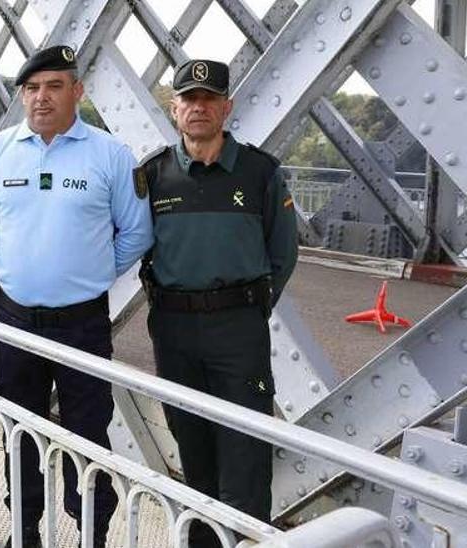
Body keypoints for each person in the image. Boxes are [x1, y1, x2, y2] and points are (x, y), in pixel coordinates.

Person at [0, 45, 153, 548]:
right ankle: (24, 532)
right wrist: (17, 267)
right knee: (18, 431)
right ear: (22, 95)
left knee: (88, 434)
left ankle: (92, 533)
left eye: (53, 86)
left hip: (82, 324)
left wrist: (89, 271)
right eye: (31, 88)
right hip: (15, 320)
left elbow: (136, 233)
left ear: (77, 91)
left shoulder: (110, 155)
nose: (41, 98)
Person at [138, 59, 298, 548]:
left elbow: (283, 255)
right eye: (189, 99)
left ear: (226, 107)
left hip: (238, 327)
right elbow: (136, 248)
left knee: (246, 448)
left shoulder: (260, 172)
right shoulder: (152, 175)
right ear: (174, 108)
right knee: (192, 441)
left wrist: (247, 309)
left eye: (209, 100)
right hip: (174, 328)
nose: (199, 108)